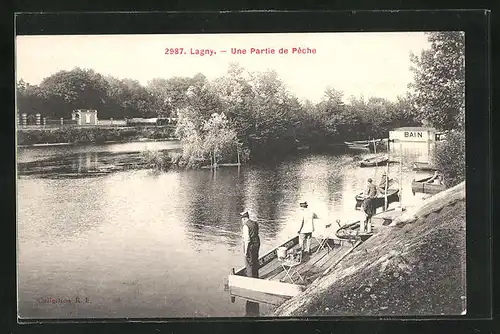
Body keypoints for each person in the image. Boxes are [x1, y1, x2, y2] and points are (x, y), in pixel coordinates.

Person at [240, 210, 260, 278]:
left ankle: (250, 279)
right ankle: (256, 277)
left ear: (244, 218)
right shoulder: (255, 223)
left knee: (249, 264)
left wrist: (245, 252)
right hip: (256, 244)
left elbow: (247, 240)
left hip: (250, 246)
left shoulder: (246, 226)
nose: (242, 222)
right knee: (255, 261)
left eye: (242, 220)